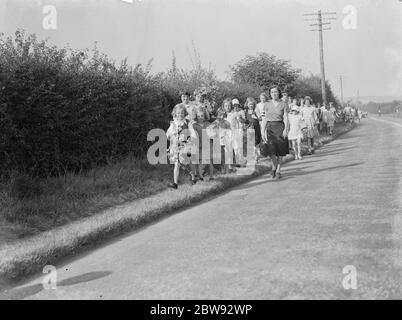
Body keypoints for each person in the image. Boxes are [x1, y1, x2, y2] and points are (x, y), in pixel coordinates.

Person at [166, 104, 198, 189]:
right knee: (177, 164)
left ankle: (193, 177)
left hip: (187, 144)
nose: (180, 115)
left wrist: (192, 139)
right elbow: (168, 132)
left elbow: (192, 132)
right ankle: (175, 183)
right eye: (178, 113)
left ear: (185, 114)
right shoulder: (173, 123)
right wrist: (169, 136)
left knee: (189, 162)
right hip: (176, 146)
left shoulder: (187, 123)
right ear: (175, 114)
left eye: (182, 113)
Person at [261, 86, 289, 180]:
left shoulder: (283, 103)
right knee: (271, 150)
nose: (274, 94)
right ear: (270, 94)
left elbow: (285, 117)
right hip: (270, 128)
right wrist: (262, 131)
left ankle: (278, 170)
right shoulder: (267, 104)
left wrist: (286, 129)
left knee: (280, 150)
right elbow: (264, 118)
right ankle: (274, 166)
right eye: (272, 92)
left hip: (280, 126)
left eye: (275, 92)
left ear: (279, 93)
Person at [192, 108, 214, 181]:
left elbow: (212, 133)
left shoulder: (208, 124)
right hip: (199, 145)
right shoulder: (194, 125)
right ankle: (201, 176)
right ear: (196, 117)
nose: (200, 117)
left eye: (202, 116)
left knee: (209, 161)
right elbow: (193, 135)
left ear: (204, 116)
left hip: (208, 144)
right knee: (200, 161)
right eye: (198, 116)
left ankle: (211, 176)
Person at [228, 98, 246, 167]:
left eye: (236, 105)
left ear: (238, 105)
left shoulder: (241, 111)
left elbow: (243, 121)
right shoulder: (231, 112)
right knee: (235, 147)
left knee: (239, 147)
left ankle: (240, 161)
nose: (235, 106)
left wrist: (240, 118)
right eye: (234, 105)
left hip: (240, 130)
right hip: (233, 131)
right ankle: (237, 161)